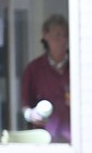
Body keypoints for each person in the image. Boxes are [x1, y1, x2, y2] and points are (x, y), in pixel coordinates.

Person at [20, 14, 71, 143]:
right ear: (45, 36)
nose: (63, 39)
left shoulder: (76, 66)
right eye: (57, 35)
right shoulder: (34, 69)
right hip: (44, 139)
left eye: (65, 35)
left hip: (74, 139)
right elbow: (25, 106)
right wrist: (31, 115)